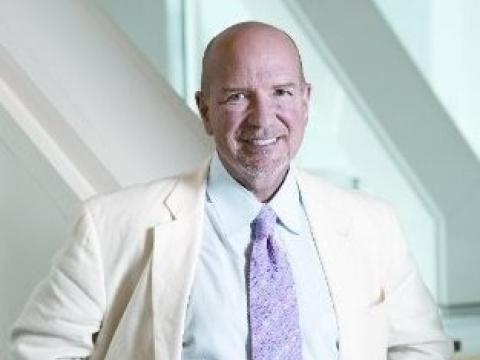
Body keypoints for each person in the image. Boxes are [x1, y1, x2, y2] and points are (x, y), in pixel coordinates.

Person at [9, 21, 453, 360]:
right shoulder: (110, 226)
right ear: (204, 110)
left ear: (305, 100)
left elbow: (421, 349)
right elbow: (39, 351)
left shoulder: (372, 224)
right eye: (238, 96)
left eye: (281, 92)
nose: (263, 118)